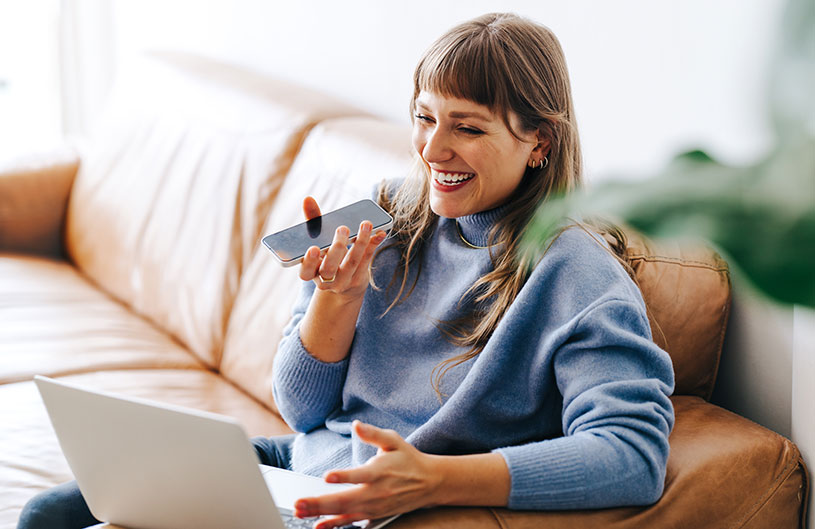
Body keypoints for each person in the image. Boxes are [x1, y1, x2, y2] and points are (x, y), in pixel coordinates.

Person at [18, 12, 674, 529]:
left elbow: (631, 454)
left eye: (467, 128)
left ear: (540, 143)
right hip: (296, 464)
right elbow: (301, 410)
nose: (433, 149)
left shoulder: (576, 273)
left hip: (360, 502)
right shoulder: (383, 209)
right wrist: (337, 300)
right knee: (48, 512)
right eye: (423, 118)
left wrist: (438, 478)